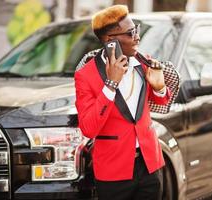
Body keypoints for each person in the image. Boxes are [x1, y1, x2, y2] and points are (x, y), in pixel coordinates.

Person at [74, 5, 175, 200]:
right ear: (111, 40)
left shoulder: (144, 62)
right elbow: (88, 128)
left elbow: (161, 102)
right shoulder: (85, 76)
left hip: (150, 164)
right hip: (113, 171)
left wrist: (159, 87)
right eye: (131, 33)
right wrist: (110, 84)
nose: (137, 36)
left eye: (136, 29)